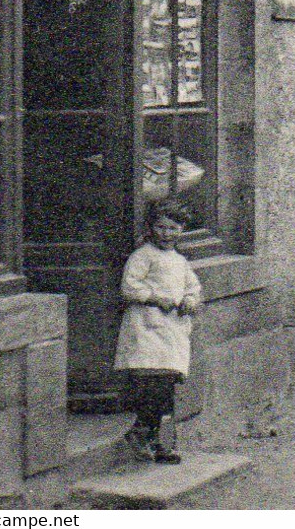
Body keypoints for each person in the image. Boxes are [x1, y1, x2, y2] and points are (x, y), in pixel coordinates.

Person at [116, 198, 202, 463]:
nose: (167, 234)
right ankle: (146, 434)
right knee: (153, 384)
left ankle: (158, 440)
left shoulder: (179, 261)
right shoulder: (143, 256)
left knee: (166, 386)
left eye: (173, 228)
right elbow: (129, 287)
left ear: (182, 230)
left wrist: (190, 301)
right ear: (152, 228)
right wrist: (154, 298)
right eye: (162, 227)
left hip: (172, 329)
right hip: (148, 327)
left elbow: (192, 287)